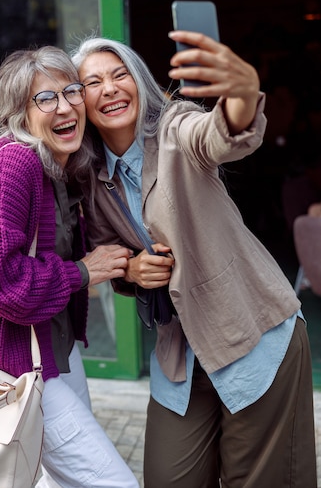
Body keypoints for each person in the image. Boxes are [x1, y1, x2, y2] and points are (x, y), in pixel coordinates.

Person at [71, 32, 317, 488]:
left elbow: (220, 134)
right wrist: (131, 268)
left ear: (139, 83)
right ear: (78, 101)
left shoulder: (175, 130)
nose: (109, 88)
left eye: (120, 74)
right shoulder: (90, 176)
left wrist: (243, 92)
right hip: (179, 355)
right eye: (92, 82)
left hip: (253, 335)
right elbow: (113, 254)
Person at [0, 46, 138, 488]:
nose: (66, 105)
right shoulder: (14, 163)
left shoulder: (57, 165)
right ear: (20, 114)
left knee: (57, 481)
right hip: (18, 365)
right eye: (46, 98)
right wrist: (82, 273)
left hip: (55, 350)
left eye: (72, 91)